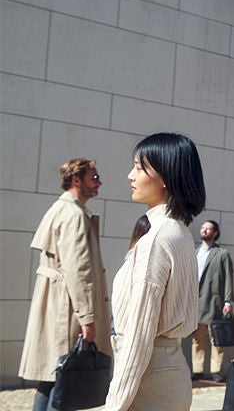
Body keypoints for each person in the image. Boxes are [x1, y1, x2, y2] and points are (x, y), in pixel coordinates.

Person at [104, 133, 206, 410]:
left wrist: (114, 404)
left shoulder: (156, 239)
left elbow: (139, 334)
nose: (130, 175)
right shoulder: (179, 232)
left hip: (148, 379)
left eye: (139, 167)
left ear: (165, 177)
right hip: (170, 373)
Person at [19, 158, 111, 411]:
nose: (99, 182)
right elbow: (78, 271)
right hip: (67, 309)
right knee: (67, 379)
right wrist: (88, 319)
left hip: (58, 304)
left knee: (52, 379)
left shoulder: (60, 209)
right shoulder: (73, 215)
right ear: (76, 180)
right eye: (94, 177)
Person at [191, 220, 234, 382]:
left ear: (215, 233)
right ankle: (198, 370)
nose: (203, 231)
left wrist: (229, 301)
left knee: (216, 338)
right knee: (197, 338)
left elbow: (229, 278)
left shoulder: (222, 253)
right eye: (202, 228)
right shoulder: (195, 252)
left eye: (207, 229)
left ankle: (216, 370)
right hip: (196, 301)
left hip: (214, 301)